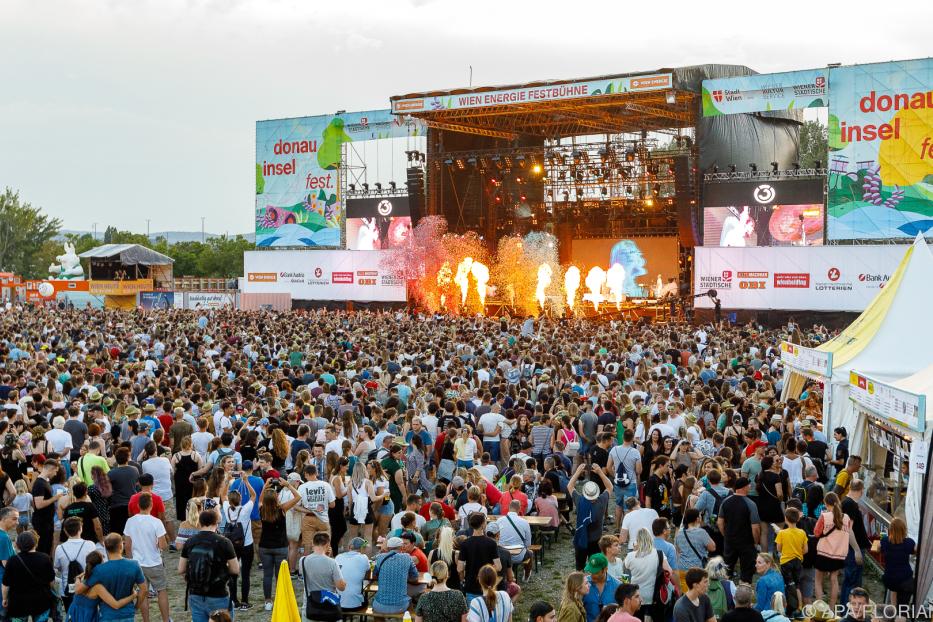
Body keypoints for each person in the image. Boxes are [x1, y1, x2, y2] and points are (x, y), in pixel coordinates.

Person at [179, 509, 240, 622]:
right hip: (218, 594)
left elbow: (181, 569)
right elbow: (235, 569)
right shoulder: (224, 542)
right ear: (216, 523)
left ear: (200, 523)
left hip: (195, 594)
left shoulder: (190, 542)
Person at [124, 492, 170, 622]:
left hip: (137, 563)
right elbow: (163, 545)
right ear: (151, 505)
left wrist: (131, 561)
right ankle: (166, 620)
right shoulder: (156, 522)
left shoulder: (130, 521)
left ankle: (146, 620)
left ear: (138, 505)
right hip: (155, 562)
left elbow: (127, 546)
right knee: (161, 591)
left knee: (142, 592)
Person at [258, 476, 300, 611]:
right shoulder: (282, 509)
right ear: (276, 498)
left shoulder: (262, 509)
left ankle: (267, 601)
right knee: (280, 575)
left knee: (267, 575)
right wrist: (288, 485)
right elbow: (297, 497)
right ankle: (280, 598)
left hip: (265, 546)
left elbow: (260, 499)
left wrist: (265, 485)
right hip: (280, 546)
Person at [85, 533, 148, 622]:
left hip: (107, 614)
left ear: (106, 548)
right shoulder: (134, 565)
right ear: (121, 546)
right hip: (127, 613)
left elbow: (86, 589)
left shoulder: (99, 570)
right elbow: (144, 589)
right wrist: (135, 607)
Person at [69, 550, 141, 622]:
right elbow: (116, 605)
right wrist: (134, 595)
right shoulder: (98, 587)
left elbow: (77, 585)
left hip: (74, 613)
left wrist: (78, 578)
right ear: (100, 565)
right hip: (87, 617)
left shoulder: (83, 578)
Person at [1, 531, 56, 622]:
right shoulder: (45, 558)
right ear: (35, 542)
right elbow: (51, 581)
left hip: (18, 604)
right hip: (41, 601)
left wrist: (4, 598)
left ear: (18, 545)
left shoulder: (12, 561)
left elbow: (6, 584)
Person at [813, 492, 855, 607]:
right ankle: (831, 608)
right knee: (834, 579)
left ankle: (820, 607)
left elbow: (816, 533)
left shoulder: (825, 516)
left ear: (826, 503)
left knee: (818, 580)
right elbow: (847, 532)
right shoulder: (846, 517)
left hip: (823, 552)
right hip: (839, 554)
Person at [221, 480, 257, 610]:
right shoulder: (245, 510)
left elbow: (222, 495)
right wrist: (247, 481)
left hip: (232, 545)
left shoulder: (227, 509)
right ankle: (245, 601)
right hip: (246, 544)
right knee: (246, 574)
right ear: (240, 499)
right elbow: (253, 496)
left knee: (233, 574)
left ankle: (234, 600)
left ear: (230, 501)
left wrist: (227, 481)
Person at [568, 464, 612, 570]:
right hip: (596, 540)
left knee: (579, 567)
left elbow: (570, 486)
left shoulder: (580, 501)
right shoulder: (602, 501)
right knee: (596, 567)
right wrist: (600, 472)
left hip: (581, 539)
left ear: (585, 493)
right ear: (596, 493)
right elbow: (610, 487)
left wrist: (578, 471)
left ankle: (580, 584)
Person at [718, 477, 760, 583]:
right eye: (748, 485)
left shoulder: (725, 502)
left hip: (730, 540)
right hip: (746, 542)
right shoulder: (751, 504)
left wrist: (726, 535)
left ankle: (726, 592)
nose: (750, 487)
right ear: (744, 487)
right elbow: (755, 528)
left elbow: (720, 522)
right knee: (746, 572)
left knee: (727, 570)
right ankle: (744, 594)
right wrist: (755, 542)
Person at [624, 528, 671, 622]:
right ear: (650, 539)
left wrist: (635, 550)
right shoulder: (659, 554)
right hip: (654, 594)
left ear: (637, 540)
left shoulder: (631, 556)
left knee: (637, 619)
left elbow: (626, 568)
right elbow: (669, 571)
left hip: (636, 595)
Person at [299, 531, 346, 621]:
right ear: (328, 544)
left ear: (313, 543)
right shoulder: (332, 562)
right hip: (329, 606)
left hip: (310, 605)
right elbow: (341, 587)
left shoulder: (302, 561)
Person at [54, 516, 97, 612]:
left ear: (65, 531)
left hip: (67, 590)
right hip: (87, 588)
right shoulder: (90, 545)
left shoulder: (60, 548)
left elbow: (57, 567)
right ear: (80, 529)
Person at [457, 513, 502, 603]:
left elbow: (460, 568)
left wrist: (462, 580)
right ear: (483, 524)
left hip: (470, 585)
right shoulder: (491, 543)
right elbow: (499, 567)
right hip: (488, 584)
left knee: (473, 614)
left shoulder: (465, 543)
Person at [839, 479, 870, 605]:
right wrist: (857, 550)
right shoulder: (850, 504)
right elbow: (848, 529)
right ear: (862, 490)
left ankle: (845, 610)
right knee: (853, 584)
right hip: (852, 550)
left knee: (848, 582)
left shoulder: (846, 502)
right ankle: (849, 611)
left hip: (850, 549)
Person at [873, 517, 915, 606]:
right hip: (905, 578)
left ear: (890, 530)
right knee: (903, 610)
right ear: (904, 530)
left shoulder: (884, 541)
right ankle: (900, 615)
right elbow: (916, 550)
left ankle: (893, 610)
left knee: (893, 589)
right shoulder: (909, 542)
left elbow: (877, 548)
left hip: (890, 578)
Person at [373, 536, 419, 614]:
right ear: (401, 547)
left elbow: (375, 575)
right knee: (410, 602)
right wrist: (404, 578)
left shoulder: (380, 558)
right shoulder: (407, 557)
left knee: (376, 611)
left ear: (388, 547)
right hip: (401, 606)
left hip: (380, 606)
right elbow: (415, 577)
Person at [774, 507, 806, 616]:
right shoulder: (802, 532)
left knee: (787, 585)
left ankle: (789, 607)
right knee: (797, 586)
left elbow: (778, 549)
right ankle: (800, 607)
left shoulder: (782, 533)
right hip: (798, 561)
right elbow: (805, 550)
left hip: (786, 562)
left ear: (786, 519)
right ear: (798, 519)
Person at [674, 509, 715, 588]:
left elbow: (678, 550)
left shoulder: (679, 533)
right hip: (697, 569)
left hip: (682, 568)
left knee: (686, 592)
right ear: (697, 519)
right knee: (698, 593)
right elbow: (712, 547)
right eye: (700, 515)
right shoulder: (701, 532)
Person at [31, 458, 64, 555]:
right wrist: (55, 498)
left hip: (47, 521)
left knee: (48, 546)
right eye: (55, 471)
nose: (55, 474)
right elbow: (39, 504)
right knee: (42, 547)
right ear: (51, 469)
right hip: (42, 522)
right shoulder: (39, 483)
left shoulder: (45, 482)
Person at [335, 537, 371, 613]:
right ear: (362, 548)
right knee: (367, 601)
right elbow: (367, 577)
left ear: (349, 547)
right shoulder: (364, 558)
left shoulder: (338, 557)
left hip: (337, 604)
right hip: (355, 605)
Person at [582, 553, 620, 622]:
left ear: (605, 569)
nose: (592, 575)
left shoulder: (617, 586)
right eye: (590, 571)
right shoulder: (583, 584)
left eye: (595, 572)